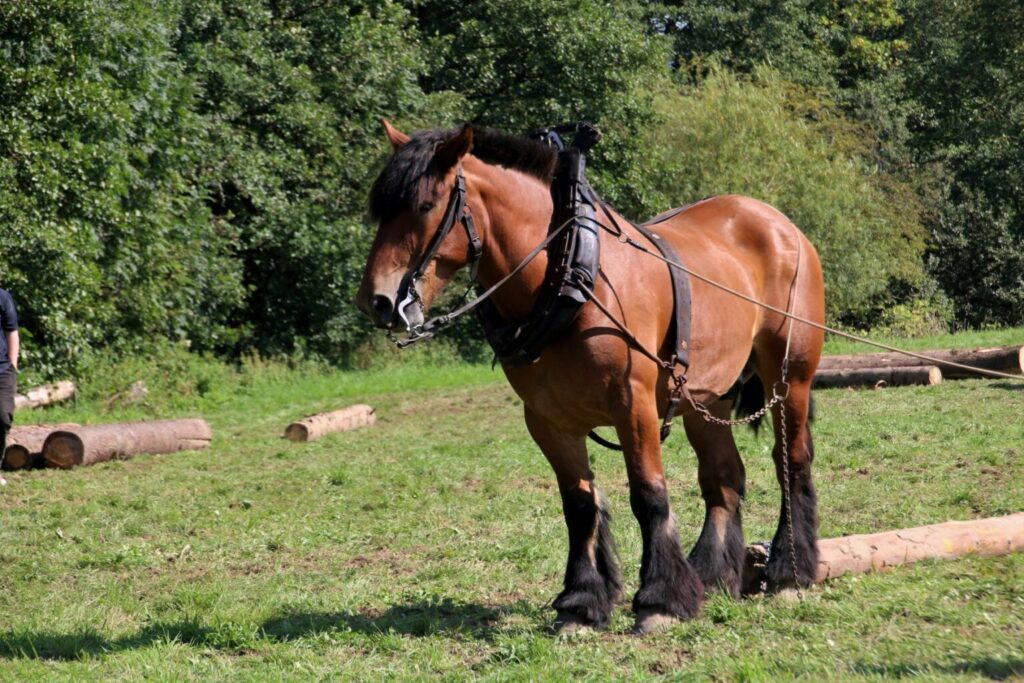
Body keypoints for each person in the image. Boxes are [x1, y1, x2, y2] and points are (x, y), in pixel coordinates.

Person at [0, 288, 19, 482]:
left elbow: (11, 331)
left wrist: (12, 364)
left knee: (2, 417)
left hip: (2, 370)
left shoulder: (3, 297)